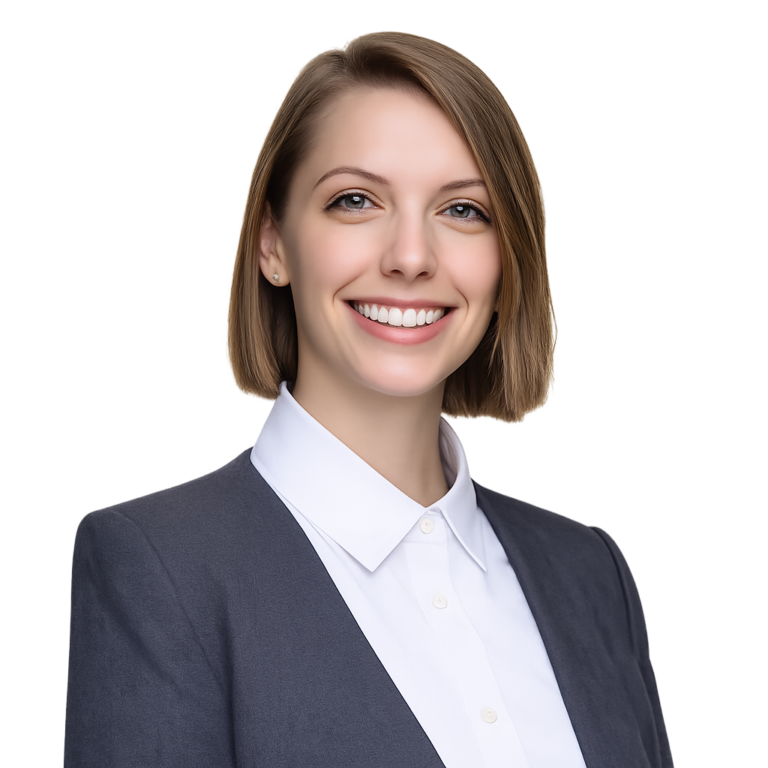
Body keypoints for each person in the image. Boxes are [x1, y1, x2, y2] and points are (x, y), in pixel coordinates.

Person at [62, 32, 675, 767]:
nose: (411, 257)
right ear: (273, 243)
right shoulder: (162, 568)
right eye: (355, 201)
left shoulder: (589, 572)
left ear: (506, 259)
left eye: (463, 210)